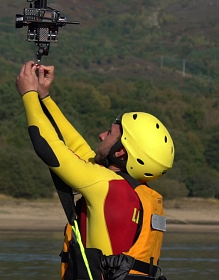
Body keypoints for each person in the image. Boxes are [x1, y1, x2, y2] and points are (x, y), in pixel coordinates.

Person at [16, 61, 174, 280]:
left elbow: (47, 145)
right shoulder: (132, 192)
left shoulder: (106, 186)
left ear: (120, 152)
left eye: (110, 133)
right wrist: (45, 98)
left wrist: (28, 95)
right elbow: (79, 150)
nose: (101, 135)